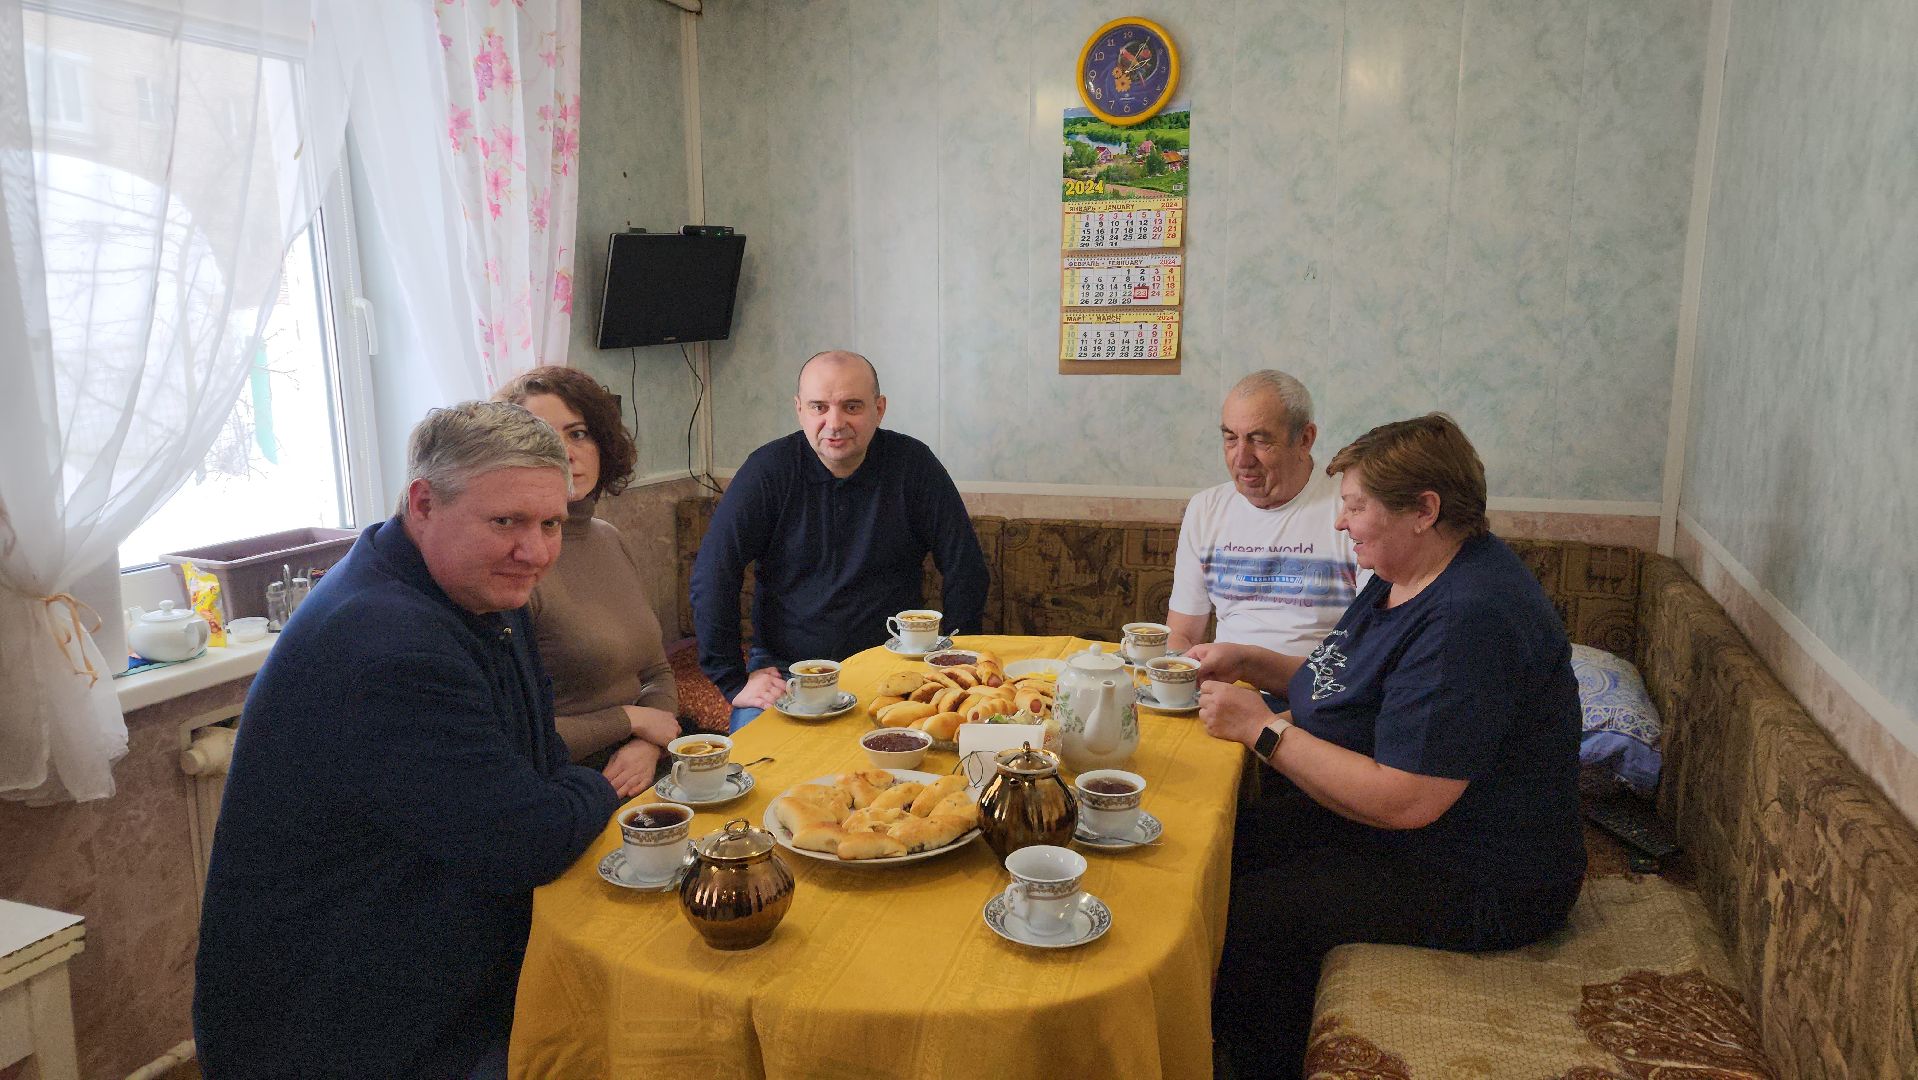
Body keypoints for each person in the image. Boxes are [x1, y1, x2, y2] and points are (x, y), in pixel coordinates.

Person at [194, 402, 620, 1079]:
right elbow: (526, 839)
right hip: (345, 1028)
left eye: (550, 524)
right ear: (423, 503)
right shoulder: (387, 643)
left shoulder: (471, 593)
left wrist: (554, 792)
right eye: (506, 521)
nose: (535, 551)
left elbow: (534, 768)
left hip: (419, 971)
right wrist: (604, 784)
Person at [1194, 414, 1585, 1075]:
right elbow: (1339, 685)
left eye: (1354, 506)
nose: (1341, 523)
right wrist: (1248, 660)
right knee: (1214, 848)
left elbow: (1407, 800)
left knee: (1255, 916)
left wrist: (1260, 729)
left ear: (1423, 510)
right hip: (1417, 835)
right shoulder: (1406, 571)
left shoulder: (1470, 617)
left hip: (1483, 873)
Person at [691, 350, 988, 730]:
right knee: (758, 771)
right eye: (819, 407)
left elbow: (966, 567)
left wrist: (953, 658)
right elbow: (714, 573)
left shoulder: (913, 465)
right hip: (787, 672)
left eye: (852, 406)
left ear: (879, 409)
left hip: (897, 664)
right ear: (799, 410)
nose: (834, 423)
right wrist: (731, 680)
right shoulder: (766, 472)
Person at [498, 366, 682, 797]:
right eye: (541, 437)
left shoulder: (607, 537)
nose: (565, 451)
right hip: (568, 777)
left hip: (644, 753)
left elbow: (656, 669)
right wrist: (630, 720)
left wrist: (646, 744)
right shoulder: (512, 562)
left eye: (578, 433)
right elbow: (515, 737)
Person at [1165, 370, 1363, 659]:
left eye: (1259, 440)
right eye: (1231, 438)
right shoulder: (1205, 510)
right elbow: (1181, 633)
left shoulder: (1350, 508)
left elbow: (1371, 644)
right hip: (1222, 688)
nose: (1241, 459)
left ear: (1305, 439)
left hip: (1316, 694)